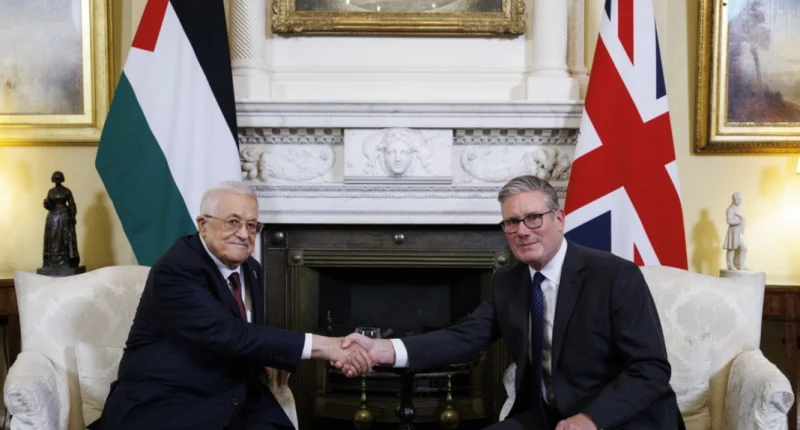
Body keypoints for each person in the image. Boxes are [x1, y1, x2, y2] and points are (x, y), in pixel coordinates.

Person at [337, 175, 683, 430]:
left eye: (533, 218)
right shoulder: (509, 281)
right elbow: (464, 337)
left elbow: (650, 368)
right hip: (548, 417)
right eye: (512, 222)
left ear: (559, 219)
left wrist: (591, 419)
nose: (522, 231)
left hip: (623, 418)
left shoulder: (614, 275)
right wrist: (381, 350)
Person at [91, 181, 373, 430]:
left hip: (234, 398)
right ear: (203, 224)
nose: (244, 234)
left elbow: (243, 335)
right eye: (232, 222)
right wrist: (327, 346)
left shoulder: (251, 269)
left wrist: (266, 357)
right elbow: (228, 333)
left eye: (251, 225)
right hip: (169, 404)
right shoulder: (176, 269)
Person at [41, 171, 80, 268]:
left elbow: (72, 205)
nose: (57, 180)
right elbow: (49, 204)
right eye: (56, 178)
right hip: (53, 217)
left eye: (59, 178)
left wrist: (72, 217)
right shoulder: (51, 192)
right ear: (53, 179)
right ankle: (51, 261)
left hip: (64, 217)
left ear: (62, 179)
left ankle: (65, 261)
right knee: (53, 238)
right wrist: (46, 204)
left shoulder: (66, 191)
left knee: (63, 238)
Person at [723, 192, 748, 271]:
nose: (741, 201)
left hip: (739, 232)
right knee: (731, 248)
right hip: (733, 231)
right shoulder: (730, 209)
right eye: (739, 199)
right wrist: (739, 221)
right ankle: (730, 265)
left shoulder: (737, 208)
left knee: (744, 247)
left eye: (741, 199)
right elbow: (729, 221)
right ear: (735, 199)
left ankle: (740, 264)